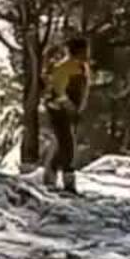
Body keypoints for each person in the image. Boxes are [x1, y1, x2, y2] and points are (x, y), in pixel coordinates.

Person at [40, 37, 91, 193]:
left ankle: (50, 178)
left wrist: (79, 108)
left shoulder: (82, 67)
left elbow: (84, 89)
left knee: (62, 144)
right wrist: (69, 106)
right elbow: (58, 89)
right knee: (67, 145)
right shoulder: (65, 66)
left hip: (71, 110)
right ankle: (68, 182)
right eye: (85, 50)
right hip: (59, 109)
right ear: (78, 51)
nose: (88, 53)